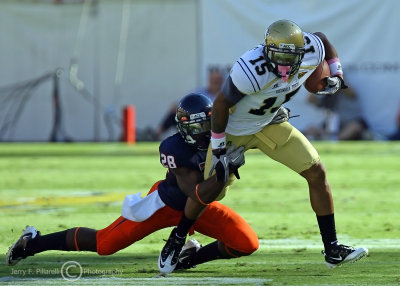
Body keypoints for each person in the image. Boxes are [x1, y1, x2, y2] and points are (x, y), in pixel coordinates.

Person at [160, 20, 368, 272]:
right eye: (277, 55)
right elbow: (221, 105)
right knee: (210, 191)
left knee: (316, 171)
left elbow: (322, 38)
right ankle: (178, 238)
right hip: (232, 131)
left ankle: (332, 249)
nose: (283, 62)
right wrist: (220, 147)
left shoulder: (312, 49)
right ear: (267, 50)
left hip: (268, 124)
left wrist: (336, 72)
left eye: (289, 56)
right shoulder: (250, 69)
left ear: (302, 51)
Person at [6, 93, 258, 274]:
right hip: (167, 204)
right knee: (105, 245)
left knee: (247, 243)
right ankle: (33, 242)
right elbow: (195, 193)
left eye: (207, 124)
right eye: (198, 126)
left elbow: (251, 115)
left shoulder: (220, 135)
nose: (205, 131)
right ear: (183, 128)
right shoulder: (173, 148)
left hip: (201, 208)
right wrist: (224, 174)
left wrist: (271, 119)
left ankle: (187, 260)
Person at [156, 68, 224, 140]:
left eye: (218, 79)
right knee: (174, 113)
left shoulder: (225, 94)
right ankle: (156, 134)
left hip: (213, 122)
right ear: (209, 80)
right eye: (213, 79)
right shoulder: (200, 92)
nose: (215, 81)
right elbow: (186, 102)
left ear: (222, 81)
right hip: (197, 119)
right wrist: (178, 106)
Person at [304, 86, 371, 141]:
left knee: (353, 127)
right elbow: (310, 100)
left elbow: (352, 94)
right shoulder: (327, 94)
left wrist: (338, 79)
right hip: (333, 125)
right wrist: (319, 84)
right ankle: (330, 139)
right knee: (311, 129)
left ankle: (334, 140)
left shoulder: (347, 92)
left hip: (350, 122)